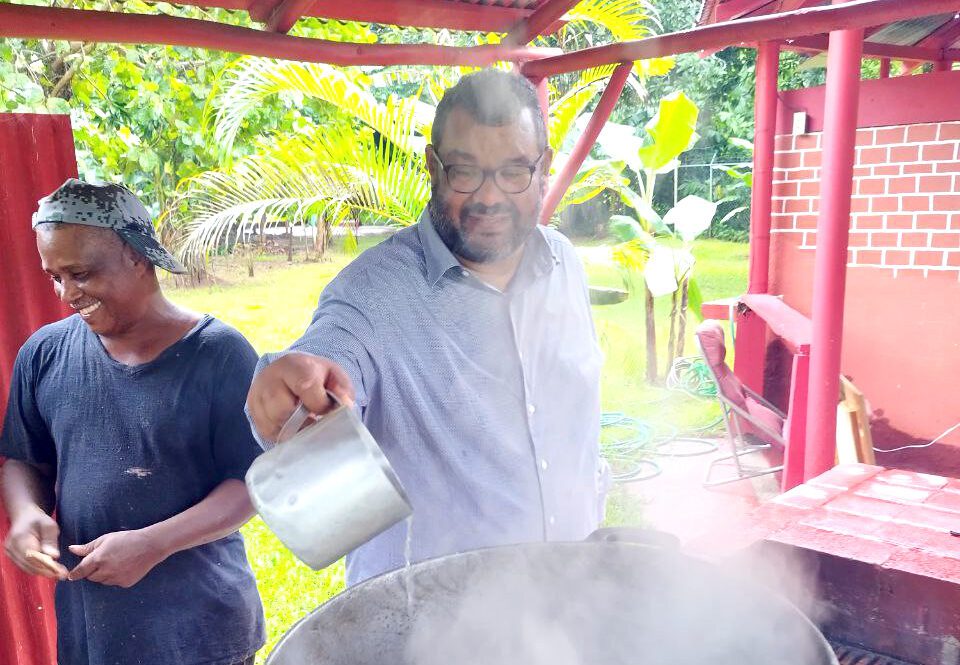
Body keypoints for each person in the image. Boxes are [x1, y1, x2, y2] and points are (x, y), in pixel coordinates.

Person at [246, 69, 609, 586]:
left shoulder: (563, 263)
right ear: (433, 167)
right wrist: (291, 387)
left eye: (513, 172)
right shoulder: (370, 293)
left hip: (570, 601)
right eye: (465, 172)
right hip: (430, 629)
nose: (489, 197)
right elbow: (330, 350)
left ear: (543, 167)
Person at [0, 180, 265, 665]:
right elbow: (23, 459)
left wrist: (154, 544)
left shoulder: (219, 355)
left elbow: (252, 482)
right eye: (54, 277)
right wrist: (25, 513)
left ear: (137, 256)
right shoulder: (44, 354)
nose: (66, 293)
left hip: (201, 634)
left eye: (80, 273)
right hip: (94, 632)